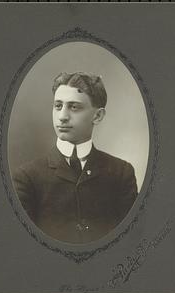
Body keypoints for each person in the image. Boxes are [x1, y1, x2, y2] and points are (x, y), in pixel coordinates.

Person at [13, 72, 138, 244]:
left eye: (74, 107)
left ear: (98, 116)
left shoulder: (121, 173)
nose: (62, 117)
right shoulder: (27, 177)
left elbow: (133, 241)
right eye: (58, 106)